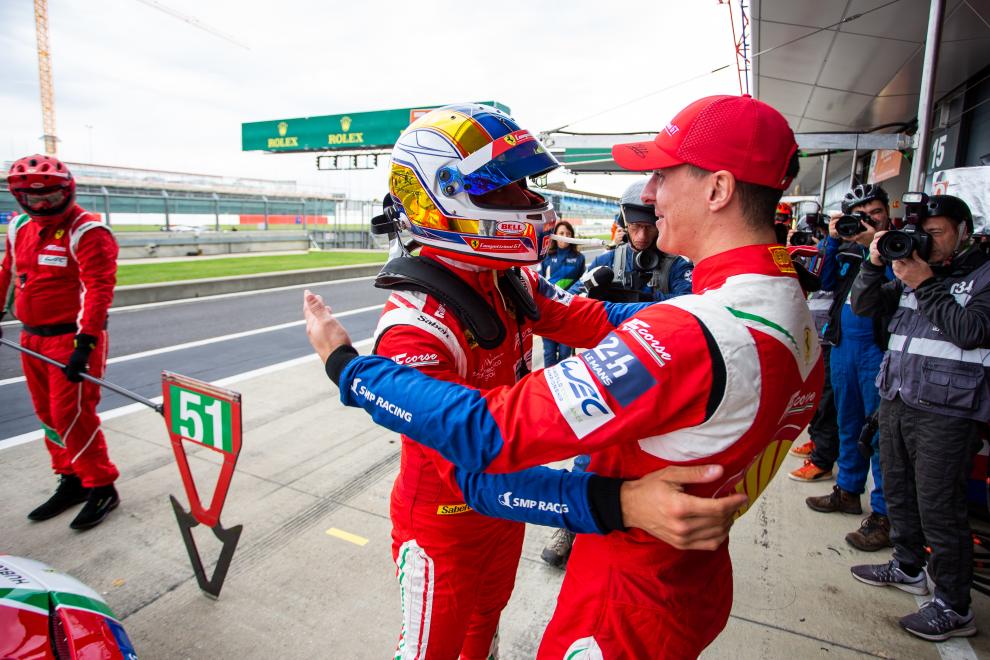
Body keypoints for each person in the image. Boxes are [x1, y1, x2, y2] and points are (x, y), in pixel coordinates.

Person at [306, 94, 824, 658]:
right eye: (507, 189)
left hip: (516, 512)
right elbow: (473, 465)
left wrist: (349, 370)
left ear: (719, 189)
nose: (529, 202)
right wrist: (349, 368)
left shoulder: (514, 281)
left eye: (525, 185)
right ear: (445, 197)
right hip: (450, 520)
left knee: (484, 636)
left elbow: (595, 321)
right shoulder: (417, 322)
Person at [850, 194, 988, 641]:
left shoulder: (982, 275)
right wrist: (874, 264)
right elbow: (863, 306)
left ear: (963, 232)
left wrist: (925, 282)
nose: (924, 242)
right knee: (898, 489)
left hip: (949, 412)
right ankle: (908, 565)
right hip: (899, 397)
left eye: (936, 234)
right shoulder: (910, 269)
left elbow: (970, 333)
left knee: (940, 507)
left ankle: (953, 605)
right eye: (919, 233)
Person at [0, 155, 120, 530]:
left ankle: (101, 485)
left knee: (73, 415)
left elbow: (98, 290)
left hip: (71, 338)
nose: (41, 205)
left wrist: (84, 345)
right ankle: (71, 478)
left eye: (49, 197)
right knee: (47, 414)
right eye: (31, 198)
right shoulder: (19, 226)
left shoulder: (88, 231)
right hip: (31, 336)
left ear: (67, 190)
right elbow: (8, 270)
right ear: (18, 197)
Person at [804, 183, 893, 551]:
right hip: (843, 346)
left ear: (887, 212)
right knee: (848, 423)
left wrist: (877, 246)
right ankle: (847, 490)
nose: (867, 221)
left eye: (874, 212)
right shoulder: (847, 249)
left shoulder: (900, 246)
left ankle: (884, 515)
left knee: (881, 436)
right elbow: (820, 282)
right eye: (861, 215)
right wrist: (832, 239)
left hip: (878, 350)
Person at [569, 178, 692, 303]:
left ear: (660, 226)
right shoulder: (605, 262)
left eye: (650, 227)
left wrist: (644, 298)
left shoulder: (677, 265)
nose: (642, 236)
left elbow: (689, 303)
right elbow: (570, 298)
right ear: (625, 224)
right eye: (635, 226)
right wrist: (588, 293)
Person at [539, 220, 585, 368]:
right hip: (548, 312)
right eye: (561, 233)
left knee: (565, 355)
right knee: (549, 353)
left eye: (568, 233)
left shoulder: (579, 258)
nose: (565, 236)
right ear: (555, 236)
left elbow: (583, 283)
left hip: (569, 312)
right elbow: (539, 283)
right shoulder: (546, 256)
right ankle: (547, 388)